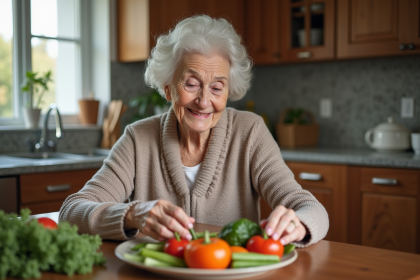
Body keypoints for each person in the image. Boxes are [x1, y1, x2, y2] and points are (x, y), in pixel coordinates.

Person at [59, 15, 328, 247]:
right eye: (191, 84)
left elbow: (312, 209)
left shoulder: (250, 132)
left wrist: (299, 223)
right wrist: (132, 214)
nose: (203, 100)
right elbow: (72, 211)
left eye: (217, 87)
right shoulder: (138, 138)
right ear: (168, 87)